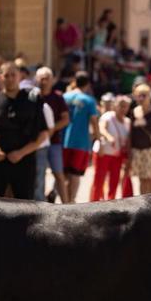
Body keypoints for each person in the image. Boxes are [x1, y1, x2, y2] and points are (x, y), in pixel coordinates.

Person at [0, 62, 49, 200]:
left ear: (20, 76)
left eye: (13, 75)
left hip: (24, 161)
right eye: (6, 75)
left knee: (24, 204)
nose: (10, 79)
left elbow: (43, 133)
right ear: (0, 77)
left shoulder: (32, 99)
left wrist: (21, 153)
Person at [62, 72, 100, 203]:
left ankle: (64, 200)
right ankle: (71, 201)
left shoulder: (65, 97)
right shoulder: (89, 100)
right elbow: (94, 122)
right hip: (81, 142)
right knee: (75, 174)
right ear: (88, 84)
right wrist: (98, 138)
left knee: (65, 173)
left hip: (63, 140)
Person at [35, 66, 70, 202]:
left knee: (59, 174)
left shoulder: (58, 97)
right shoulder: (32, 96)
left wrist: (50, 130)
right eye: (42, 78)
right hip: (36, 143)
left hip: (54, 142)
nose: (44, 81)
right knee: (39, 175)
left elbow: (65, 119)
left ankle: (66, 205)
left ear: (52, 80)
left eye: (47, 78)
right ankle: (40, 204)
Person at [91, 95, 131, 201]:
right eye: (121, 106)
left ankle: (111, 202)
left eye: (126, 106)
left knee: (114, 181)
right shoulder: (107, 116)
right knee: (99, 180)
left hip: (117, 155)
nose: (123, 109)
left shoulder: (127, 122)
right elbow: (102, 128)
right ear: (115, 106)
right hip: (103, 152)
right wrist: (109, 137)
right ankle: (94, 202)